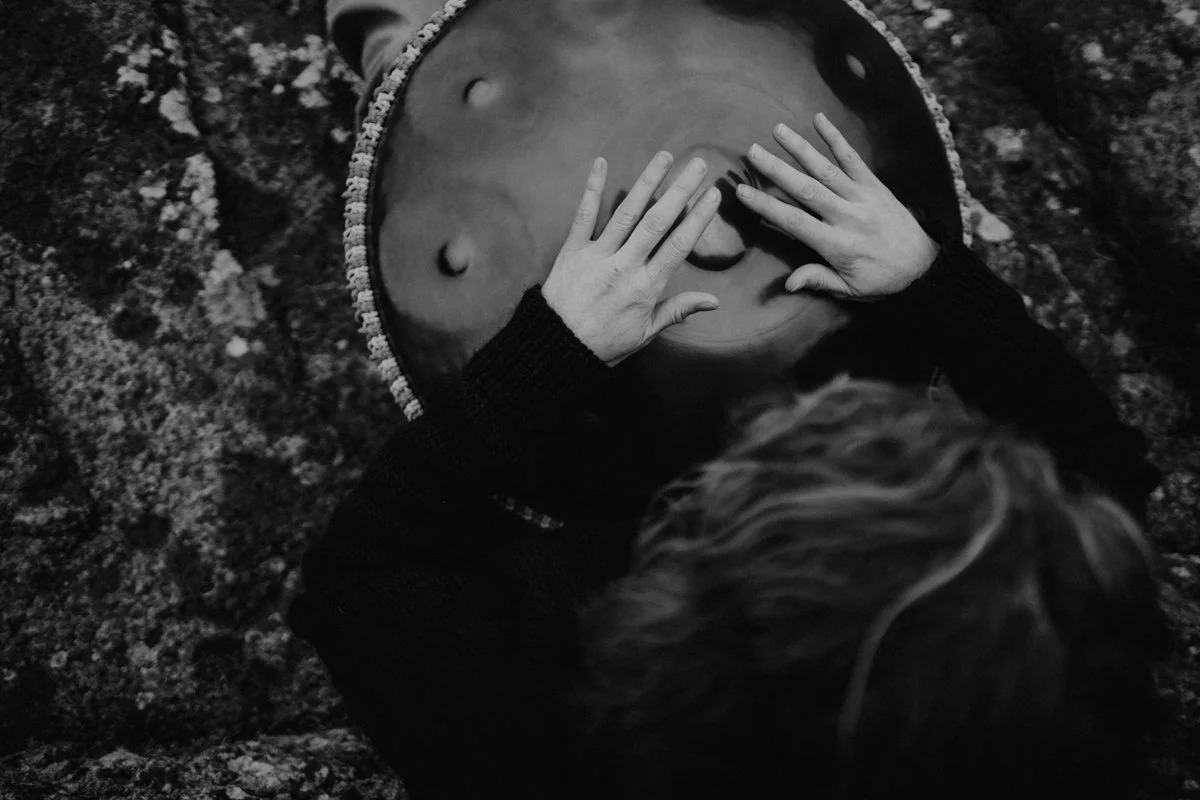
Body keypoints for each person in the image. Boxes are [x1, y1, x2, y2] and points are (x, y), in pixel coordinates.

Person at [288, 97, 1165, 799]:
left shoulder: (531, 736)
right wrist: (928, 282)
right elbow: (1102, 468)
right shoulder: (1070, 688)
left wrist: (550, 350)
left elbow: (358, 578)